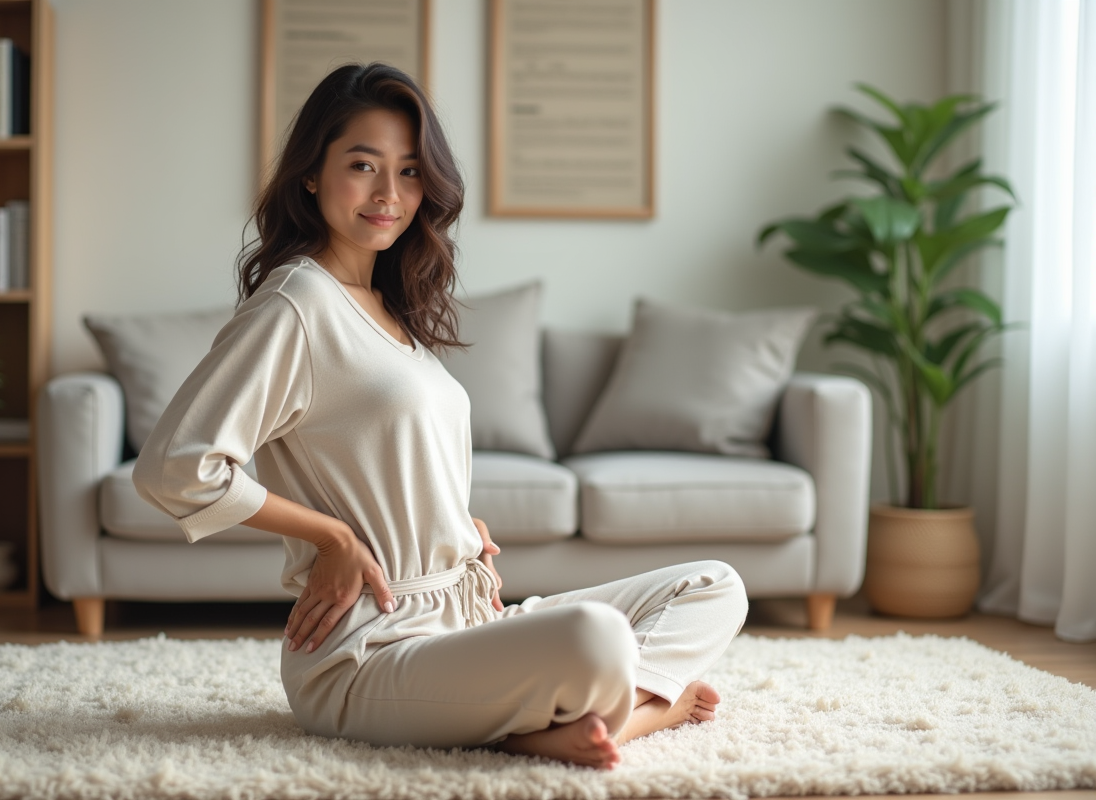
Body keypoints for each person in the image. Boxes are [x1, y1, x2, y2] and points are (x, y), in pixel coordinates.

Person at [133, 62, 748, 771]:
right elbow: (176, 466)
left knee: (714, 586)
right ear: (311, 172)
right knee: (597, 640)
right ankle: (645, 709)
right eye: (362, 165)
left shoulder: (392, 308)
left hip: (467, 613)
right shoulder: (295, 304)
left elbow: (386, 455)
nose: (388, 194)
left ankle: (597, 721)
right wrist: (331, 538)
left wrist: (451, 526)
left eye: (409, 171)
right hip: (369, 652)